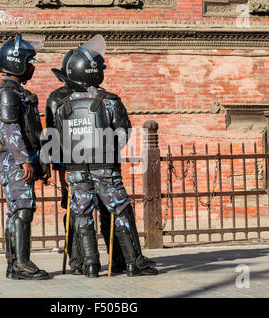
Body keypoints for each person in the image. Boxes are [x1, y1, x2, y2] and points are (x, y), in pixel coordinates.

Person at [49, 35, 158, 278]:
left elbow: (57, 137)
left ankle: (90, 265)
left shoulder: (62, 104)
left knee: (82, 212)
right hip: (104, 167)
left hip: (76, 169)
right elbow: (123, 131)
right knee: (120, 210)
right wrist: (108, 150)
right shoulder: (109, 101)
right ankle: (133, 262)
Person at [46, 50, 126, 275]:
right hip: (75, 163)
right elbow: (52, 135)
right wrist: (58, 167)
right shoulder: (58, 98)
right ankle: (78, 260)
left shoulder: (76, 97)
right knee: (78, 210)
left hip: (83, 163)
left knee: (96, 209)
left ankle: (109, 259)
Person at [0, 34, 51, 280]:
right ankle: (21, 264)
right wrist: (25, 160)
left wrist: (39, 161)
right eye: (30, 62)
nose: (32, 67)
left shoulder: (17, 92)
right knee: (22, 210)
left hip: (19, 160)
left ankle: (15, 265)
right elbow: (9, 130)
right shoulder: (7, 93)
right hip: (14, 162)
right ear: (17, 63)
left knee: (18, 211)